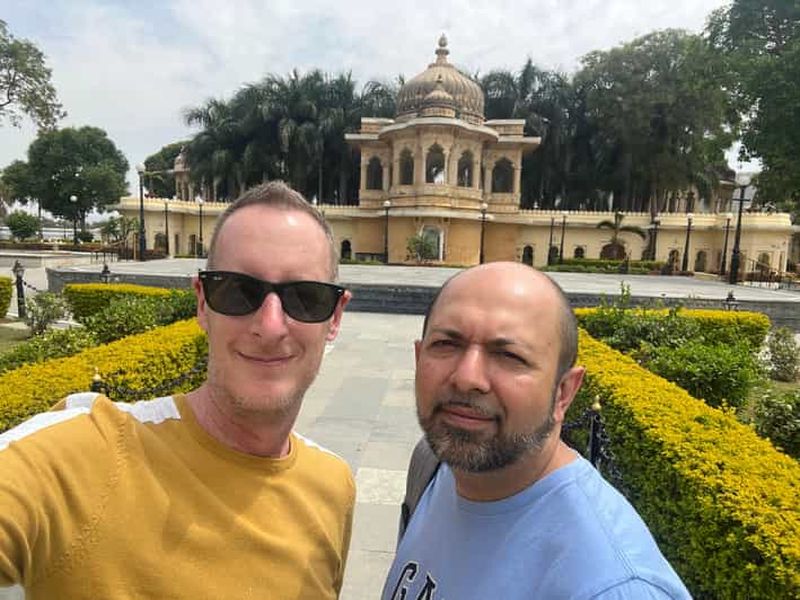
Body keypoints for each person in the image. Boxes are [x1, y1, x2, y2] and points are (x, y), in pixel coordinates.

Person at [0, 182, 355, 599]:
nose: (271, 326)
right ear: (202, 303)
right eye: (238, 291)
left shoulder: (332, 486)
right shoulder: (85, 455)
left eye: (306, 298)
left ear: (335, 318)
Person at [382, 262, 691, 600]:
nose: (467, 377)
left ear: (564, 392)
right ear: (418, 358)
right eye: (446, 344)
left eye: (509, 355)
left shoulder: (610, 586)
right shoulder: (436, 469)